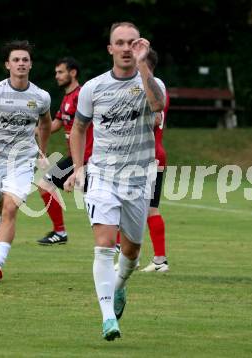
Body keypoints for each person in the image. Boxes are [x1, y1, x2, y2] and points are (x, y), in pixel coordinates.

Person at [64, 22, 166, 340]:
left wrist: (143, 66)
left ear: (140, 46)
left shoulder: (152, 83)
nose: (125, 48)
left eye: (132, 43)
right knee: (104, 245)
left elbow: (158, 105)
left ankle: (119, 287)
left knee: (132, 252)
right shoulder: (93, 88)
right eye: (119, 43)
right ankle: (108, 318)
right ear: (110, 49)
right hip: (103, 176)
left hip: (138, 179)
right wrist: (79, 168)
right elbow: (79, 128)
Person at [0, 40, 51, 282]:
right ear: (8, 65)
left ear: (31, 64)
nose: (21, 63)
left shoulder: (40, 96)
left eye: (25, 59)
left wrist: (41, 150)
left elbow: (45, 124)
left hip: (22, 161)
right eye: (16, 60)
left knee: (11, 208)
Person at [36, 57, 93, 245]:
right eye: (56, 73)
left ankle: (117, 242)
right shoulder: (68, 97)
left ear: (73, 73)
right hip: (74, 158)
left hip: (87, 157)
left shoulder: (81, 95)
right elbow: (53, 126)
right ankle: (60, 232)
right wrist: (27, 128)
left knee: (99, 199)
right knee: (45, 185)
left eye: (60, 72)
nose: (57, 76)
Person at [140, 48, 170, 272]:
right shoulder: (157, 83)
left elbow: (155, 117)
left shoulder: (152, 84)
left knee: (144, 208)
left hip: (146, 155)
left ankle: (136, 257)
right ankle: (159, 260)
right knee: (148, 207)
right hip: (154, 153)